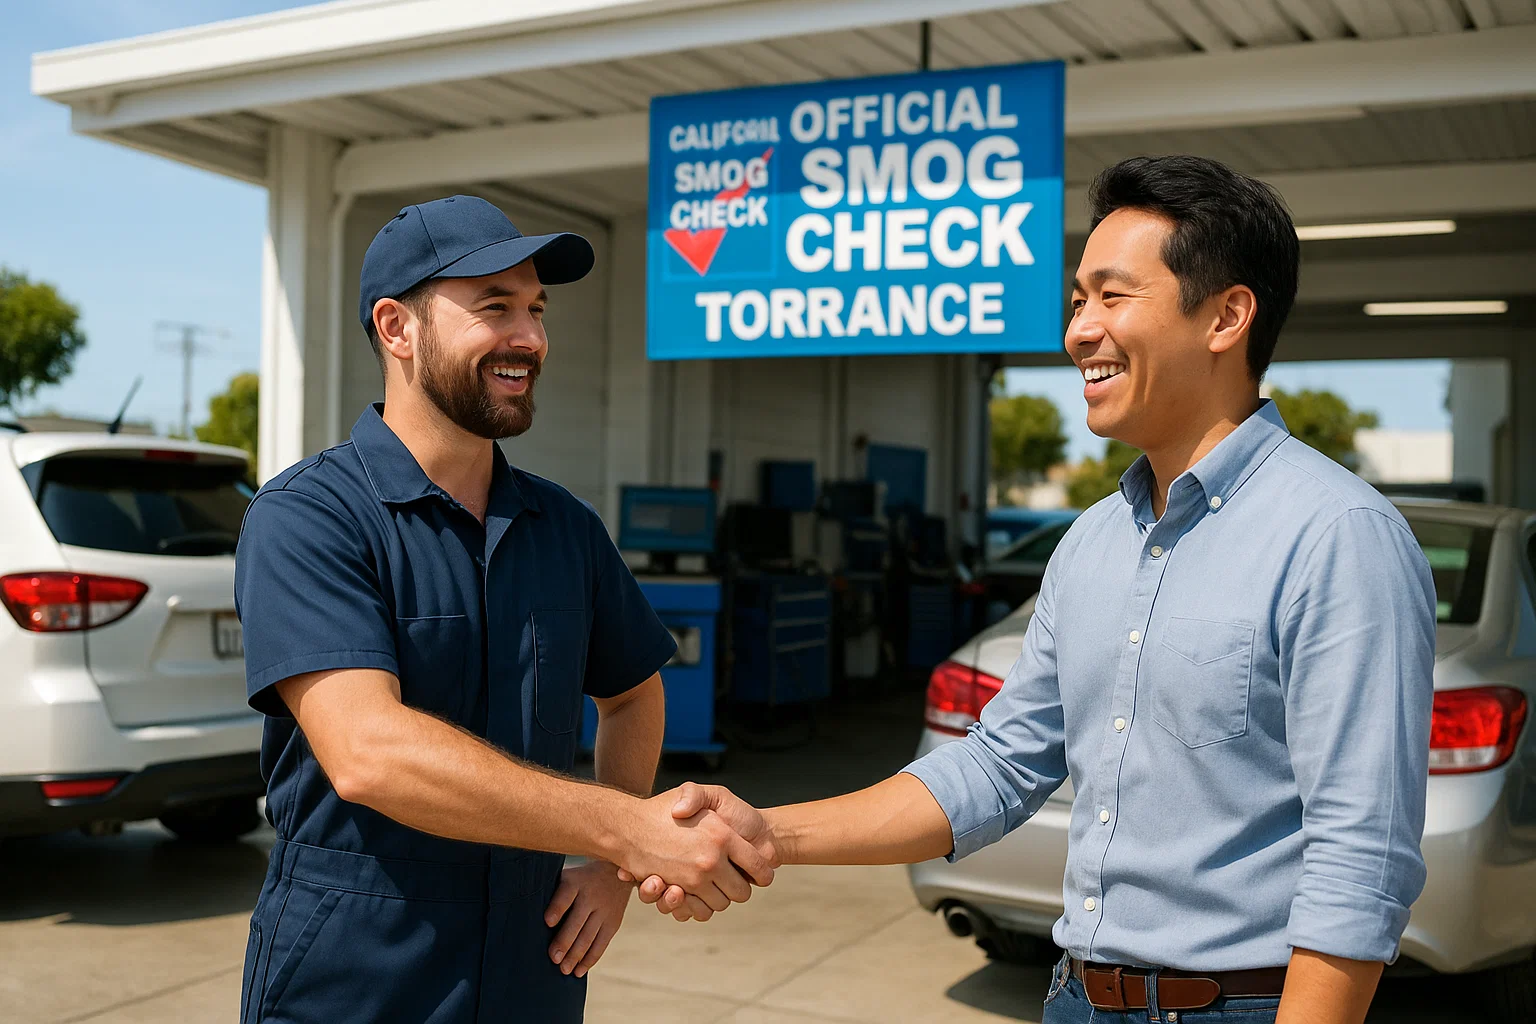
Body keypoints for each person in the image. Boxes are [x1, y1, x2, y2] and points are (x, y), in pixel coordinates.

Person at [630, 156, 1437, 1024]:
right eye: (1078, 300)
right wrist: (767, 832)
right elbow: (999, 766)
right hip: (1074, 999)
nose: (1078, 331)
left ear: (1227, 317)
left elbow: (1360, 857)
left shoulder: (1337, 537)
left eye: (1111, 297)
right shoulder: (1092, 542)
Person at [235, 195, 772, 1024]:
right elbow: (369, 752)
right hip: (355, 978)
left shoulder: (564, 528)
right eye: (495, 308)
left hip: (532, 973)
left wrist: (609, 871)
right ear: (396, 328)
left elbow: (632, 694)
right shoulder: (310, 517)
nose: (530, 338)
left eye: (536, 309)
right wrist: (625, 828)